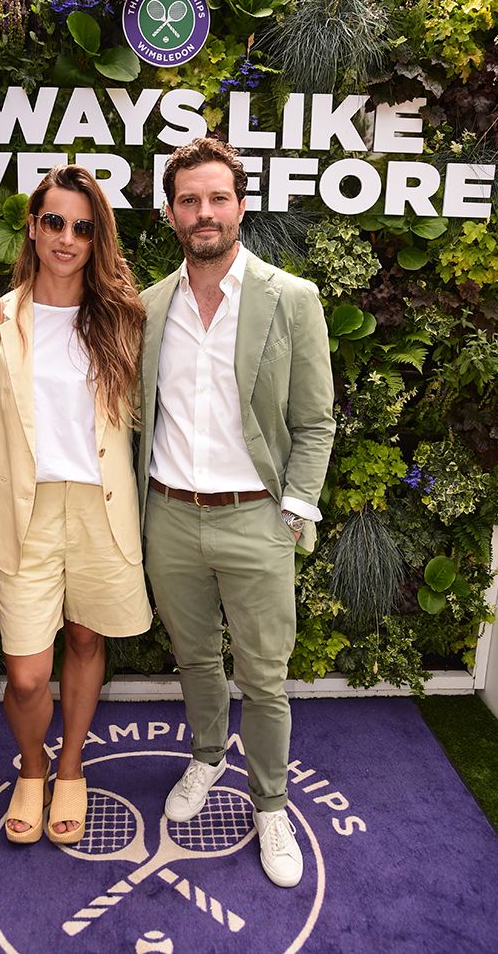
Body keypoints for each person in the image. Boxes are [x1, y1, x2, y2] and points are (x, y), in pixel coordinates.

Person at [137, 138, 335, 887]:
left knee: (264, 676)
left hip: (256, 518)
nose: (204, 212)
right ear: (169, 213)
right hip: (169, 517)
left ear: (241, 205)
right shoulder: (149, 305)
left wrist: (292, 508)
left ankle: (271, 803)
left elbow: (315, 421)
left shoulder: (292, 298)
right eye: (189, 200)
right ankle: (207, 758)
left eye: (217, 197)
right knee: (193, 658)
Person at [0, 164, 151, 846]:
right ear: (32, 227)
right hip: (21, 511)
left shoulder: (122, 315)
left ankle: (70, 767)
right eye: (55, 222)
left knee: (88, 637)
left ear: (98, 239)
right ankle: (30, 766)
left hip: (100, 506)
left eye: (83, 227)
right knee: (28, 671)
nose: (67, 238)